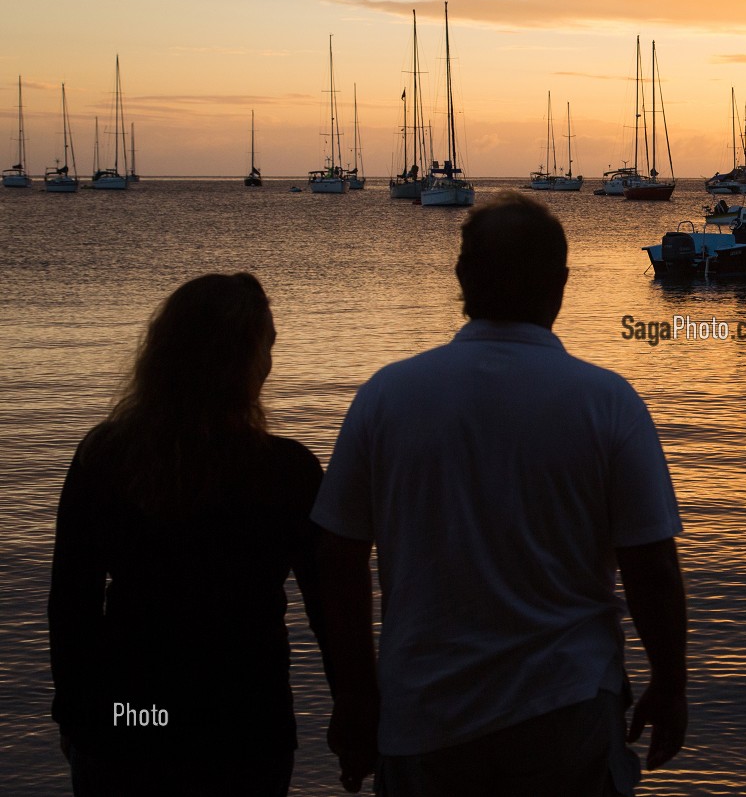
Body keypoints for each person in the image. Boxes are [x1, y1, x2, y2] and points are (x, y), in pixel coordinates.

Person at [314, 192, 687, 796]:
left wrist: (355, 698)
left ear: (462, 276)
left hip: (424, 718)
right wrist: (671, 684)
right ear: (561, 283)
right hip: (565, 712)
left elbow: (338, 559)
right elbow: (651, 566)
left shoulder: (387, 398)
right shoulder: (607, 403)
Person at [48, 272, 325, 797]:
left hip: (132, 717)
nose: (270, 364)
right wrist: (357, 711)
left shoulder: (107, 455)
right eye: (267, 347)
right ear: (246, 362)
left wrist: (78, 716)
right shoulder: (286, 471)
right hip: (244, 723)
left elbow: (71, 602)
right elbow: (328, 608)